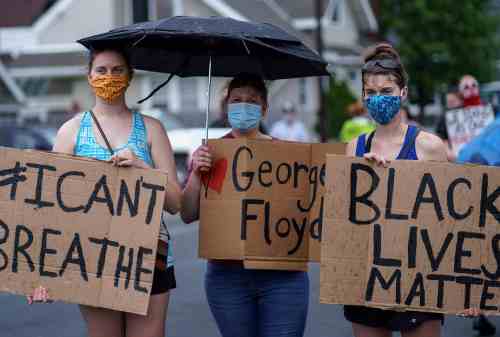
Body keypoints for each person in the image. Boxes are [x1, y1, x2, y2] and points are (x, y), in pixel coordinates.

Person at [27, 48, 181, 337]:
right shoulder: (70, 132)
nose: (109, 77)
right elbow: (49, 210)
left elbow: (176, 203)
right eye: (101, 70)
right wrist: (40, 273)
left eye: (117, 70)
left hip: (148, 252)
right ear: (89, 77)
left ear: (130, 77)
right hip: (92, 254)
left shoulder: (151, 129)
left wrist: (141, 167)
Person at [181, 73, 309, 337]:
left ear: (264, 109)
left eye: (251, 101)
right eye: (237, 100)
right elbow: (188, 213)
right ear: (226, 108)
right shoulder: (210, 155)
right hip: (228, 277)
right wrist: (196, 173)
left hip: (282, 275)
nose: (243, 105)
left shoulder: (287, 156)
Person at [344, 42, 448, 337]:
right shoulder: (354, 148)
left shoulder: (428, 146)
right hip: (367, 273)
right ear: (363, 95)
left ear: (402, 93)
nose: (379, 99)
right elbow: (343, 213)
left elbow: (451, 221)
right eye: (372, 92)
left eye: (386, 92)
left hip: (418, 277)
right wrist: (363, 177)